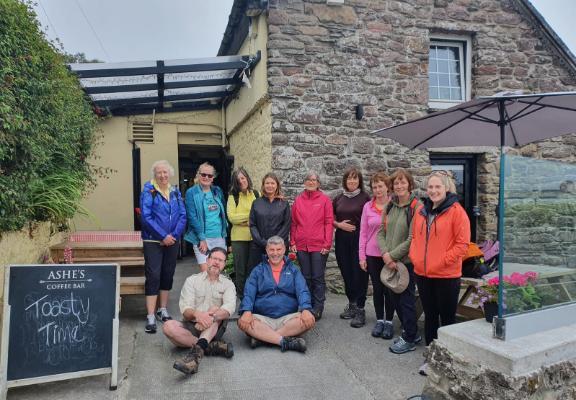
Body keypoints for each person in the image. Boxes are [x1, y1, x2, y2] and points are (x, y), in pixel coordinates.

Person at [409, 171, 470, 374]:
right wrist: (416, 258)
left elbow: (462, 245)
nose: (433, 191)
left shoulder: (456, 211)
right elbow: (415, 239)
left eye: (438, 187)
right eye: (430, 187)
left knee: (447, 319)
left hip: (446, 276)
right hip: (423, 274)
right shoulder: (421, 211)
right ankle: (432, 359)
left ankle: (448, 361)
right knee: (430, 317)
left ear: (446, 188)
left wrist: (441, 262)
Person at [163, 247, 236, 375]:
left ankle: (193, 359)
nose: (216, 262)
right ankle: (208, 346)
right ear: (207, 260)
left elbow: (229, 308)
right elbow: (185, 310)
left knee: (215, 310)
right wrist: (198, 315)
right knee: (168, 326)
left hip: (214, 327)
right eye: (214, 258)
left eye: (221, 260)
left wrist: (210, 317)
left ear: (224, 264)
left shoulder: (228, 284)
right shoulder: (192, 280)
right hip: (191, 324)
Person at [238, 236, 315, 352]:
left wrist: (306, 309)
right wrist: (247, 311)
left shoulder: (294, 270)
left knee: (309, 320)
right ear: (266, 251)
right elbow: (249, 293)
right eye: (272, 250)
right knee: (243, 322)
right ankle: (284, 341)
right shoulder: (258, 271)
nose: (275, 253)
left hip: (288, 319)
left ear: (284, 249)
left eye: (278, 249)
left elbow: (302, 290)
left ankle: (264, 338)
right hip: (263, 319)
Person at [376, 168, 422, 353]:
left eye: (403, 182)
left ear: (409, 184)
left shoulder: (417, 208)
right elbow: (381, 232)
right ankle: (412, 332)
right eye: (396, 183)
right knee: (395, 300)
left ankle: (409, 338)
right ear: (392, 187)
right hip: (390, 262)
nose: (400, 186)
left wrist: (392, 256)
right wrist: (386, 254)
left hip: (407, 264)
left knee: (406, 301)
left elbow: (413, 238)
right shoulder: (389, 206)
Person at [140, 160, 187, 334]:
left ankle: (163, 309)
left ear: (170, 173)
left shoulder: (175, 191)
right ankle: (151, 316)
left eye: (165, 172)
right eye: (159, 172)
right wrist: (162, 236)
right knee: (153, 275)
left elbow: (183, 215)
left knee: (168, 273)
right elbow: (146, 217)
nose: (162, 175)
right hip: (153, 240)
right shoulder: (148, 191)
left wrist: (173, 236)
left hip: (172, 241)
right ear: (155, 174)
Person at [290, 171, 334, 320]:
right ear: (304, 182)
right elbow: (294, 223)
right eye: (308, 179)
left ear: (318, 183)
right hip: (302, 245)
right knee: (305, 277)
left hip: (319, 245)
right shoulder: (298, 200)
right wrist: (293, 242)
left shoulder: (324, 200)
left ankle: (318, 307)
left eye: (314, 180)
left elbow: (329, 223)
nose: (311, 182)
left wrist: (327, 243)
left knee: (317, 277)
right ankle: (306, 305)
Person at [333, 167, 371, 327]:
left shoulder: (365, 198)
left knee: (359, 274)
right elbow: (329, 217)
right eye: (349, 178)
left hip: (359, 240)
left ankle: (360, 309)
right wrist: (339, 225)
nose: (352, 181)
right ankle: (352, 304)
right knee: (346, 272)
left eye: (355, 179)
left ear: (359, 181)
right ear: (345, 181)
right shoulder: (339, 198)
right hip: (342, 239)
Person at [359, 172, 393, 337]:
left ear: (387, 187)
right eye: (374, 187)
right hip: (372, 254)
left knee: (390, 289)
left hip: (391, 254)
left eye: (380, 186)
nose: (378, 190)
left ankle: (390, 322)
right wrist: (362, 256)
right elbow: (363, 234)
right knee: (378, 289)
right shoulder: (367, 207)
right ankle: (380, 320)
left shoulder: (395, 204)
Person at [184, 162, 228, 272]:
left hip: (219, 237)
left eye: (210, 175)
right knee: (206, 273)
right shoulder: (191, 192)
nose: (206, 177)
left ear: (213, 178)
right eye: (203, 174)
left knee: (217, 272)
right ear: (198, 175)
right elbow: (192, 217)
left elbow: (223, 213)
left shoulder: (217, 191)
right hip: (202, 239)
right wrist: (202, 239)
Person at [227, 167, 259, 297]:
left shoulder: (256, 194)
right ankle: (242, 295)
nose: (241, 181)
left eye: (243, 178)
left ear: (247, 178)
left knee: (253, 269)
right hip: (239, 239)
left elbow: (259, 213)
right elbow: (232, 218)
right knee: (240, 270)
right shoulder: (232, 196)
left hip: (254, 237)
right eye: (238, 179)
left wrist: (244, 218)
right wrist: (250, 217)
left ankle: (252, 294)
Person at [248, 172, 291, 269]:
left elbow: (286, 224)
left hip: (279, 248)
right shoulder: (256, 203)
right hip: (259, 246)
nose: (270, 186)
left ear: (277, 185)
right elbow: (252, 224)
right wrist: (263, 242)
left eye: (272, 183)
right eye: (267, 183)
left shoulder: (284, 203)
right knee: (258, 273)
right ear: (263, 185)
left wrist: (274, 243)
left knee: (278, 274)